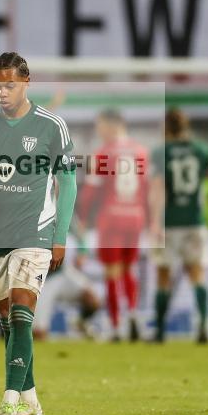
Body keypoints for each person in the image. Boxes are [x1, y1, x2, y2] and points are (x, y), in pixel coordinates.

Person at [0, 52, 77, 415]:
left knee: (23, 311)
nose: (2, 92)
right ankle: (31, 401)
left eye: (9, 85)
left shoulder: (52, 126)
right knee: (9, 321)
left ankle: (8, 402)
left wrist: (60, 235)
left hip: (35, 233)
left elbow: (67, 183)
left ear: (26, 83)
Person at [150, 108, 208, 344]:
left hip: (169, 223)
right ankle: (203, 324)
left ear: (166, 128)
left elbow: (158, 186)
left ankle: (160, 331)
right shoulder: (202, 149)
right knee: (197, 274)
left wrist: (154, 220)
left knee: (163, 275)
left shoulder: (162, 152)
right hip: (195, 221)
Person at [78, 109, 151, 342]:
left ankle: (116, 325)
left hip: (111, 217)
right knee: (129, 269)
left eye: (100, 126)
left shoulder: (103, 153)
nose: (99, 131)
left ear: (112, 125)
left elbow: (90, 191)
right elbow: (149, 189)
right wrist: (149, 219)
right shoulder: (141, 152)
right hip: (135, 217)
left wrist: (82, 217)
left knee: (112, 271)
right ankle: (133, 313)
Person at [32, 222, 101, 340]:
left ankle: (80, 323)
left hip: (61, 272)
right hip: (40, 281)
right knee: (39, 333)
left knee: (92, 300)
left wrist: (82, 252)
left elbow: (78, 232)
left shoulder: (58, 211)